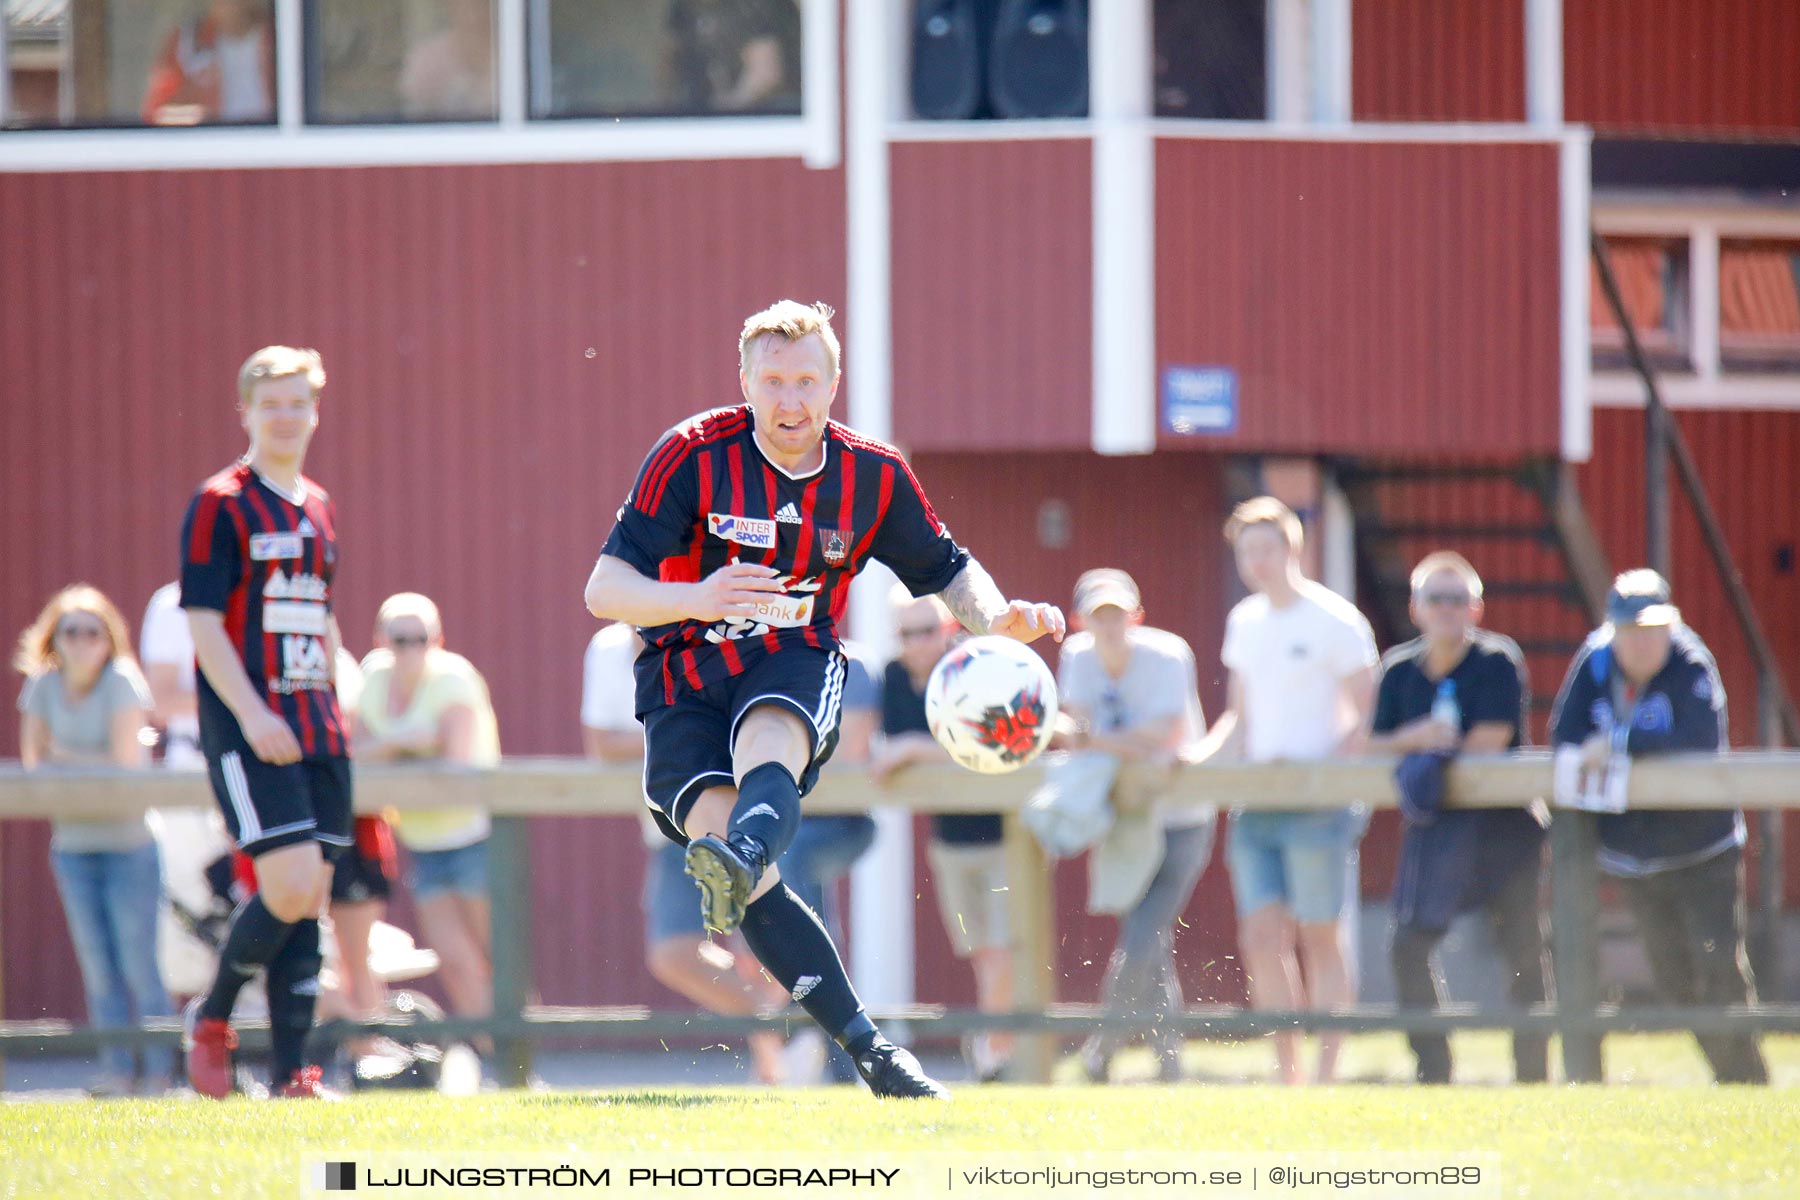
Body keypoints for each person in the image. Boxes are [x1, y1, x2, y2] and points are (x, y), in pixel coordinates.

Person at [583, 299, 1064, 1099]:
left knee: (771, 738)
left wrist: (996, 616)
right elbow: (605, 589)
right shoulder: (690, 455)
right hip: (682, 672)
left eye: (807, 380)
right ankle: (873, 1053)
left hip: (793, 654)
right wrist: (700, 594)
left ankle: (743, 856)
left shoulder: (871, 474)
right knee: (740, 870)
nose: (790, 400)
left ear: (834, 383)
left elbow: (947, 568)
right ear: (744, 382)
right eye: (772, 381)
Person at [178, 345, 349, 1100]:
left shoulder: (317, 503)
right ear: (245, 411)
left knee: (308, 893)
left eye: (297, 403)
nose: (286, 416)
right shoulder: (221, 500)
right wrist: (251, 715)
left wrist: (341, 706)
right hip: (255, 727)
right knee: (284, 885)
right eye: (270, 403)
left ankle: (293, 1075)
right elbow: (205, 623)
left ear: (315, 411)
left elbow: (321, 615)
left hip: (319, 726)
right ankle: (211, 1019)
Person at [1549, 569, 1768, 1084]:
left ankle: (1746, 1083)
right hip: (1631, 856)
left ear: (1671, 625)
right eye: (1629, 630)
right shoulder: (1595, 660)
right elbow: (1566, 733)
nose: (1641, 642)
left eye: (1652, 629)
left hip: (1702, 850)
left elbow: (1697, 738)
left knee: (1719, 969)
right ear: (1613, 630)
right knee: (1673, 979)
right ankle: (1729, 1075)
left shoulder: (1690, 662)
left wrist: (1620, 744)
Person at [1197, 496, 1378, 1085]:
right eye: (1247, 551)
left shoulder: (1334, 619)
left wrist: (1326, 774)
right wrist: (1194, 760)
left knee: (1318, 933)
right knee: (1260, 934)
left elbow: (1364, 712)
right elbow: (1238, 717)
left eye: (1266, 548)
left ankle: (1327, 1072)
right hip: (1257, 800)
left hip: (1317, 802)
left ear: (1292, 549)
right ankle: (1287, 1072)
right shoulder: (1245, 622)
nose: (1257, 562)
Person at [1366, 552, 1549, 1085]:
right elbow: (1372, 743)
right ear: (1415, 608)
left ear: (1476, 608)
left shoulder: (1496, 661)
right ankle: (1434, 1070)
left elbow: (1490, 741)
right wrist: (1417, 738)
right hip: (1436, 829)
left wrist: (1427, 751)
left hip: (1503, 829)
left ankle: (1534, 1078)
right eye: (1435, 599)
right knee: (1408, 945)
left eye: (1457, 599)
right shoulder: (1400, 669)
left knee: (1522, 953)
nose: (1447, 609)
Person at [581, 619, 790, 1086]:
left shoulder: (711, 637)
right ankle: (777, 1029)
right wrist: (675, 734)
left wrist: (664, 738)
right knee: (673, 953)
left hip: (738, 820)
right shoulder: (608, 649)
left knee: (761, 948)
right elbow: (599, 745)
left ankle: (777, 1055)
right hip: (670, 827)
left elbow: (733, 732)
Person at [15, 584, 174, 1097]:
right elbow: (35, 765)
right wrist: (72, 761)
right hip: (74, 846)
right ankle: (118, 1070)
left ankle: (160, 1074)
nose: (82, 642)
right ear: (53, 639)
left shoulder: (123, 682)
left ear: (110, 639)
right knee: (98, 967)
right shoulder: (42, 687)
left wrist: (68, 758)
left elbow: (127, 766)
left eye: (93, 632)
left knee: (139, 963)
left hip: (130, 844)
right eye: (71, 632)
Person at [1056, 569, 1213, 1085]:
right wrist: (1123, 742)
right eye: (1099, 615)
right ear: (1082, 620)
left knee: (1144, 935)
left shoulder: (1169, 654)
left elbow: (1164, 733)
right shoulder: (1077, 656)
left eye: (1118, 614)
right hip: (1124, 814)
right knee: (1150, 942)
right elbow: (1080, 731)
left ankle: (1102, 1049)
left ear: (1136, 616)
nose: (1110, 625)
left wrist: (1094, 737)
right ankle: (1169, 1062)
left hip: (1182, 816)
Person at [873, 589, 1013, 1080]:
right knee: (983, 955)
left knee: (1002, 951)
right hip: (949, 840)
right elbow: (887, 748)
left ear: (949, 629)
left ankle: (998, 1054)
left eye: (927, 630)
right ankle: (998, 1048)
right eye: (907, 633)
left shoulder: (972, 669)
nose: (917, 643)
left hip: (1005, 836)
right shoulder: (892, 677)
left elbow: (987, 740)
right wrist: (914, 749)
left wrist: (915, 746)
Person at [355, 593, 499, 1029]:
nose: (411, 650)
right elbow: (353, 751)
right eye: (400, 639)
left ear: (438, 640)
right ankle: (490, 1059)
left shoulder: (454, 680)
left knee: (497, 958)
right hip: (421, 842)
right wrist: (405, 742)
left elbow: (454, 768)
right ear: (380, 639)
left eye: (422, 639)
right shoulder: (372, 678)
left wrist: (390, 753)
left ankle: (520, 1060)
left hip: (475, 838)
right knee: (454, 963)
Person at [142, 0, 274, 126]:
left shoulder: (282, 39)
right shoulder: (187, 42)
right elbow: (156, 114)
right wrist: (200, 118)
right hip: (212, 145)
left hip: (269, 144)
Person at [398, 0, 497, 120]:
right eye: (465, 5)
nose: (474, 14)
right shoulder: (428, 58)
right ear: (450, 7)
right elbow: (414, 115)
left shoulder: (512, 55)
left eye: (480, 4)